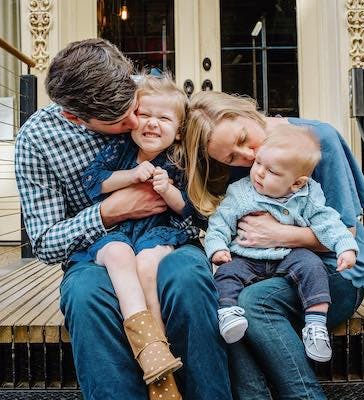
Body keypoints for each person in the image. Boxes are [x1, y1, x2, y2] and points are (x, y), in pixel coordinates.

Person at [15, 39, 232, 400]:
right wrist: (108, 212)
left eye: (134, 107)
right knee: (86, 297)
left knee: (187, 280)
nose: (137, 121)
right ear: (74, 116)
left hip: (165, 237)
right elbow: (44, 241)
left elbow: (220, 125)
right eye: (120, 120)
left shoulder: (148, 92)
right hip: (97, 250)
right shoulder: (37, 140)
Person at [183, 90, 364, 399]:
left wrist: (279, 235)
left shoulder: (316, 139)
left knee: (253, 303)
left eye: (244, 138)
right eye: (231, 156)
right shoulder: (244, 167)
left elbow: (347, 232)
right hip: (266, 269)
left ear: (246, 111)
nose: (245, 157)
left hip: (332, 270)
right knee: (224, 307)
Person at [69, 74, 200, 397]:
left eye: (164, 118)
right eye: (145, 115)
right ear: (132, 120)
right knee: (116, 255)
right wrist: (130, 175)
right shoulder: (120, 150)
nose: (152, 123)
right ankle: (148, 347)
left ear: (179, 130)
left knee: (146, 263)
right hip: (115, 231)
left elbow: (188, 209)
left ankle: (158, 350)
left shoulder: (177, 160)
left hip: (157, 232)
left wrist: (167, 189)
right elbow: (94, 182)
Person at [204, 125, 358, 364]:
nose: (260, 173)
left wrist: (346, 248)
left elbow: (329, 222)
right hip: (248, 256)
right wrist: (217, 248)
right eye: (259, 164)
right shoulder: (240, 191)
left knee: (313, 266)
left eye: (272, 172)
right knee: (226, 273)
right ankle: (227, 313)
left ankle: (316, 324)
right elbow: (219, 223)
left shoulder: (306, 195)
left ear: (296, 183)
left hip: (290, 254)